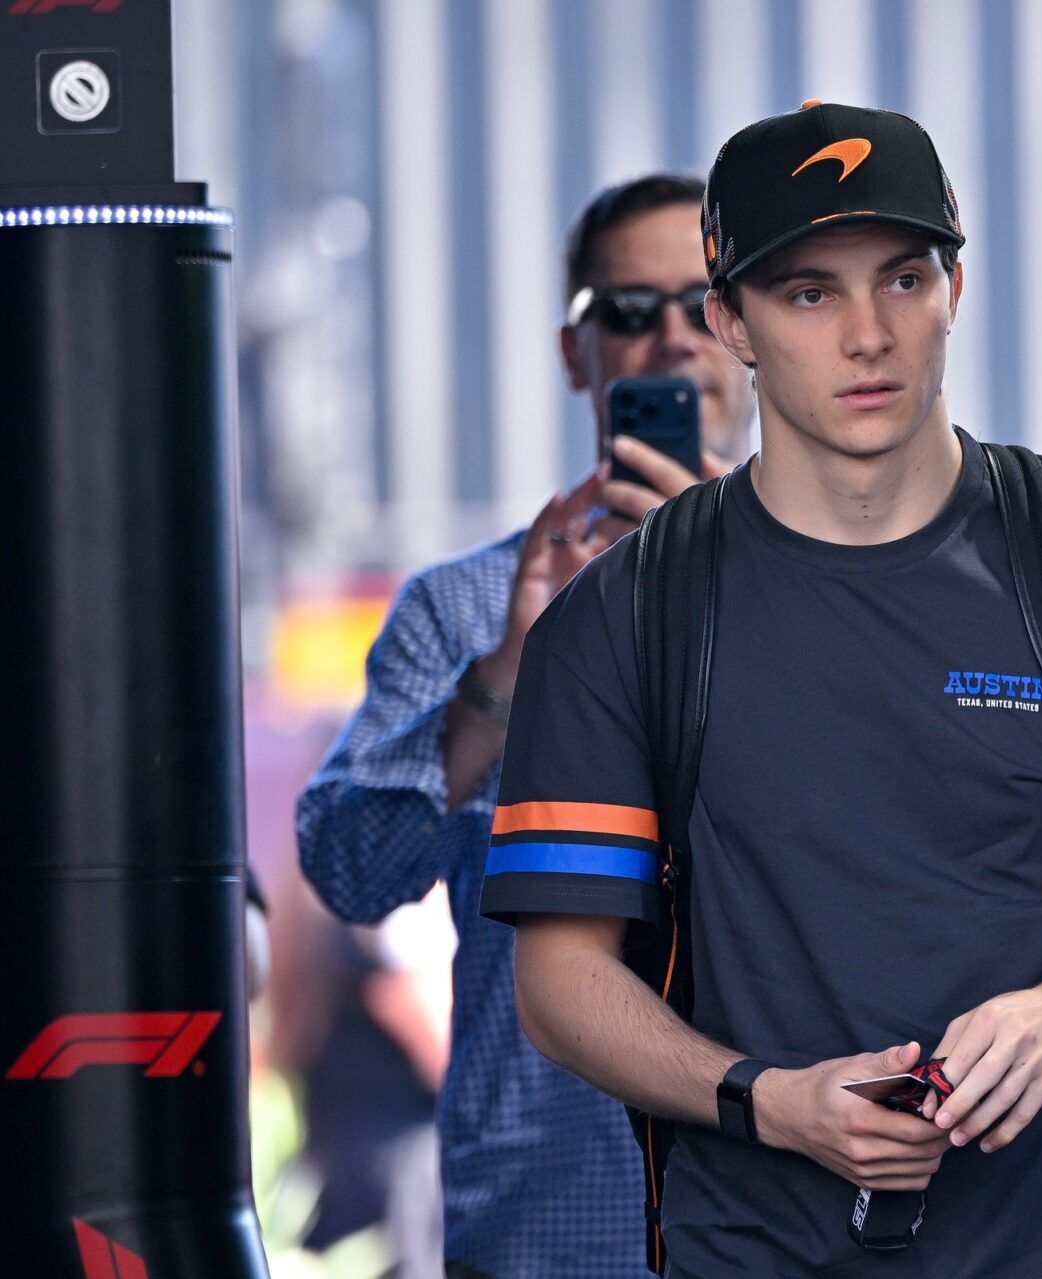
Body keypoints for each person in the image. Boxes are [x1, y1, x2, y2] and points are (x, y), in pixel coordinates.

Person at [479, 101, 1042, 1277]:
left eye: (904, 280)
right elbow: (561, 979)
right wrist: (769, 1100)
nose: (869, 334)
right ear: (733, 322)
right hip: (757, 1253)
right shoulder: (625, 619)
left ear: (956, 291)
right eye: (811, 292)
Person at [297, 174, 753, 1278]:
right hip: (551, 1215)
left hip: (794, 1204)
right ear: (574, 353)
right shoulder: (465, 608)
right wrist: (507, 672)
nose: (671, 341)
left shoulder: (852, 595)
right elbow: (353, 869)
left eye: (705, 304)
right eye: (629, 312)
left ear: (750, 332)